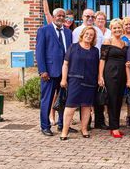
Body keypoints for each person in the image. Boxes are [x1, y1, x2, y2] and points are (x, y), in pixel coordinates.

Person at [35, 8, 72, 136]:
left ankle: (63, 124)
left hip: (65, 72)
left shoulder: (68, 32)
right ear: (54, 16)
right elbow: (39, 52)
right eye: (58, 15)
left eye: (63, 16)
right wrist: (42, 70)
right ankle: (45, 126)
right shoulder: (44, 30)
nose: (61, 18)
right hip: (49, 73)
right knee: (47, 100)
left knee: (64, 99)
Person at [59, 26, 100, 140]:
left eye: (91, 35)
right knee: (70, 107)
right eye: (87, 34)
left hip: (90, 82)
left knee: (86, 107)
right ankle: (64, 131)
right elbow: (65, 64)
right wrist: (63, 79)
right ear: (82, 34)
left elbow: (96, 67)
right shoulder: (73, 47)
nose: (88, 36)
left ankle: (84, 129)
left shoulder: (95, 51)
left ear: (93, 38)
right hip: (75, 81)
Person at [98, 19, 128, 138]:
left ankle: (116, 126)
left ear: (122, 29)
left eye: (119, 27)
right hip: (110, 73)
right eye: (114, 28)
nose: (117, 30)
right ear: (111, 29)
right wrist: (100, 76)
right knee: (112, 99)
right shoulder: (107, 41)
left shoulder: (124, 43)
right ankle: (114, 127)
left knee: (119, 99)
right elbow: (102, 59)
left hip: (122, 73)